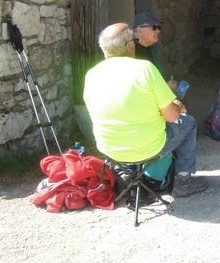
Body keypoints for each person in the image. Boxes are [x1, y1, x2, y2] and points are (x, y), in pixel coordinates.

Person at [84, 23, 207, 198]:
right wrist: (178, 106)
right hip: (147, 147)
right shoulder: (144, 69)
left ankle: (126, 173)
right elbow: (172, 116)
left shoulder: (92, 75)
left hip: (109, 148)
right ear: (130, 46)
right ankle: (184, 181)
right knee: (189, 123)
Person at [132, 11, 177, 91]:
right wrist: (166, 88)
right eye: (154, 27)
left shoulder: (148, 49)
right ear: (139, 31)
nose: (158, 31)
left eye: (159, 27)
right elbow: (142, 89)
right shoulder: (133, 54)